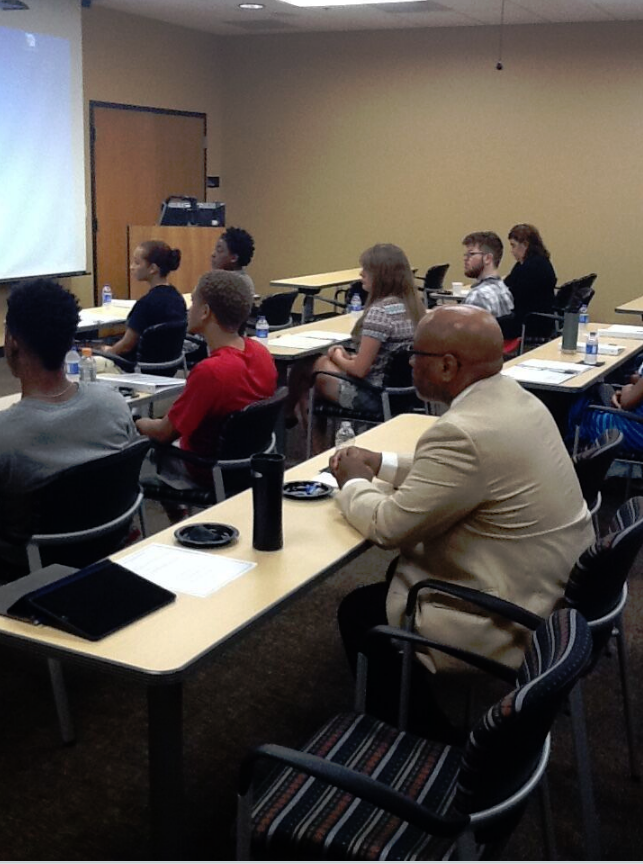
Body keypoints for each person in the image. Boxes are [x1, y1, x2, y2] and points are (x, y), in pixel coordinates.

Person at [331, 305, 593, 732]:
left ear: (448, 366)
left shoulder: (462, 432)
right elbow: (459, 475)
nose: (410, 363)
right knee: (397, 576)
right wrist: (380, 463)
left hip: (511, 616)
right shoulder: (516, 399)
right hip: (552, 593)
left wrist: (353, 481)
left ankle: (423, 736)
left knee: (360, 613)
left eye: (416, 354)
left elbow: (386, 527)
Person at [0, 279, 137, 575]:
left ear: (12, 342)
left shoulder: (5, 436)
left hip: (26, 568)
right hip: (107, 551)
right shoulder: (114, 405)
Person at [136, 270, 277, 488]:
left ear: (205, 312)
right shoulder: (262, 354)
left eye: (193, 302)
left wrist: (136, 421)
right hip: (247, 464)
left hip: (206, 469)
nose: (189, 309)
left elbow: (164, 433)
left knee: (139, 453)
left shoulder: (210, 372)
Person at [285, 243, 425, 432]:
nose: (361, 274)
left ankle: (299, 427)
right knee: (311, 372)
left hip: (374, 397)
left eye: (366, 269)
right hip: (406, 394)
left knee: (312, 369)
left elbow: (359, 371)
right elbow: (385, 359)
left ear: (381, 275)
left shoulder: (380, 313)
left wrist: (337, 356)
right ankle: (295, 418)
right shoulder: (414, 308)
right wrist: (350, 358)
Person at [99, 240, 186, 362]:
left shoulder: (145, 304)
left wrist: (108, 352)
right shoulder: (177, 298)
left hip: (139, 367)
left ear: (152, 268)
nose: (131, 267)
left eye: (137, 263)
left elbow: (126, 346)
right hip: (169, 365)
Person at [504, 223, 557, 337]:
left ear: (525, 244)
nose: (512, 251)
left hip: (528, 323)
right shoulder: (541, 261)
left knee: (485, 323)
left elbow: (511, 294)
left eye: (513, 246)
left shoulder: (530, 267)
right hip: (540, 320)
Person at [461, 231, 514, 318]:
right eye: (465, 254)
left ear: (488, 258)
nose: (465, 258)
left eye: (471, 254)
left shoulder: (477, 296)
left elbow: (466, 327)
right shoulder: (504, 290)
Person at [211, 226, 256, 294]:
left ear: (234, 258)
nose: (213, 254)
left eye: (219, 250)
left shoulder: (227, 283)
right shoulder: (245, 279)